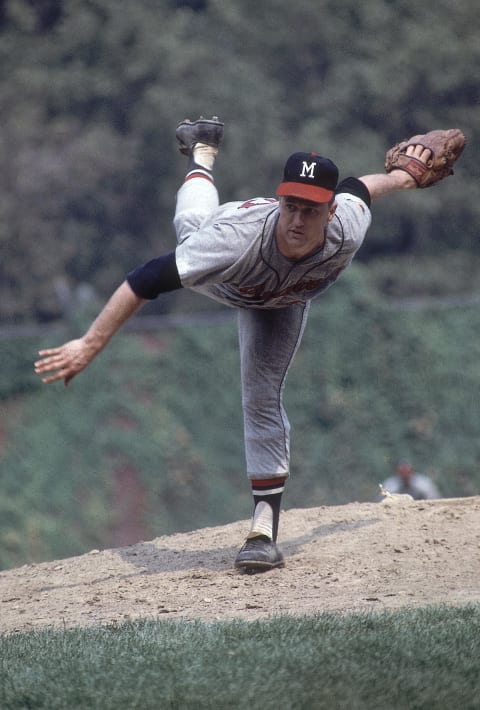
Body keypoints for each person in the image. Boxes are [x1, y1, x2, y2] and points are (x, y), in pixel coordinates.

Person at [34, 117, 460, 572]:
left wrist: (404, 178)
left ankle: (262, 533)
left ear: (330, 211)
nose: (298, 219)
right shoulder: (232, 242)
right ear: (280, 199)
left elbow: (360, 187)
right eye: (291, 205)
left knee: (262, 398)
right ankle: (202, 154)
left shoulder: (348, 224)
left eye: (311, 209)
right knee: (192, 229)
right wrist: (90, 343)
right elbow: (144, 279)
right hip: (229, 280)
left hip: (285, 302)